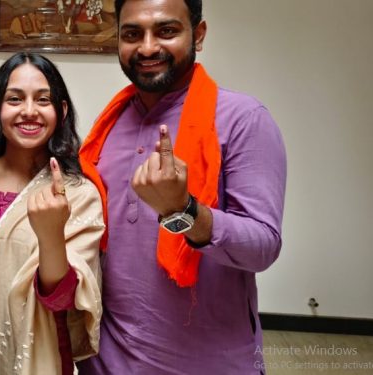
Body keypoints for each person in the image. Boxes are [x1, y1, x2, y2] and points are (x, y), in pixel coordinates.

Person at [75, 0, 287, 373]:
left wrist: (183, 211)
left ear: (199, 35)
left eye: (166, 31)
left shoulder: (243, 120)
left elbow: (263, 247)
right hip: (107, 361)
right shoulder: (107, 127)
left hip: (207, 362)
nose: (147, 47)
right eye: (132, 34)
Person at [0, 53, 105, 375]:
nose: (29, 111)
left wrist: (50, 237)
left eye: (43, 100)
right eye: (15, 99)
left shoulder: (78, 194)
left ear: (60, 112)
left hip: (34, 356)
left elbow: (64, 302)